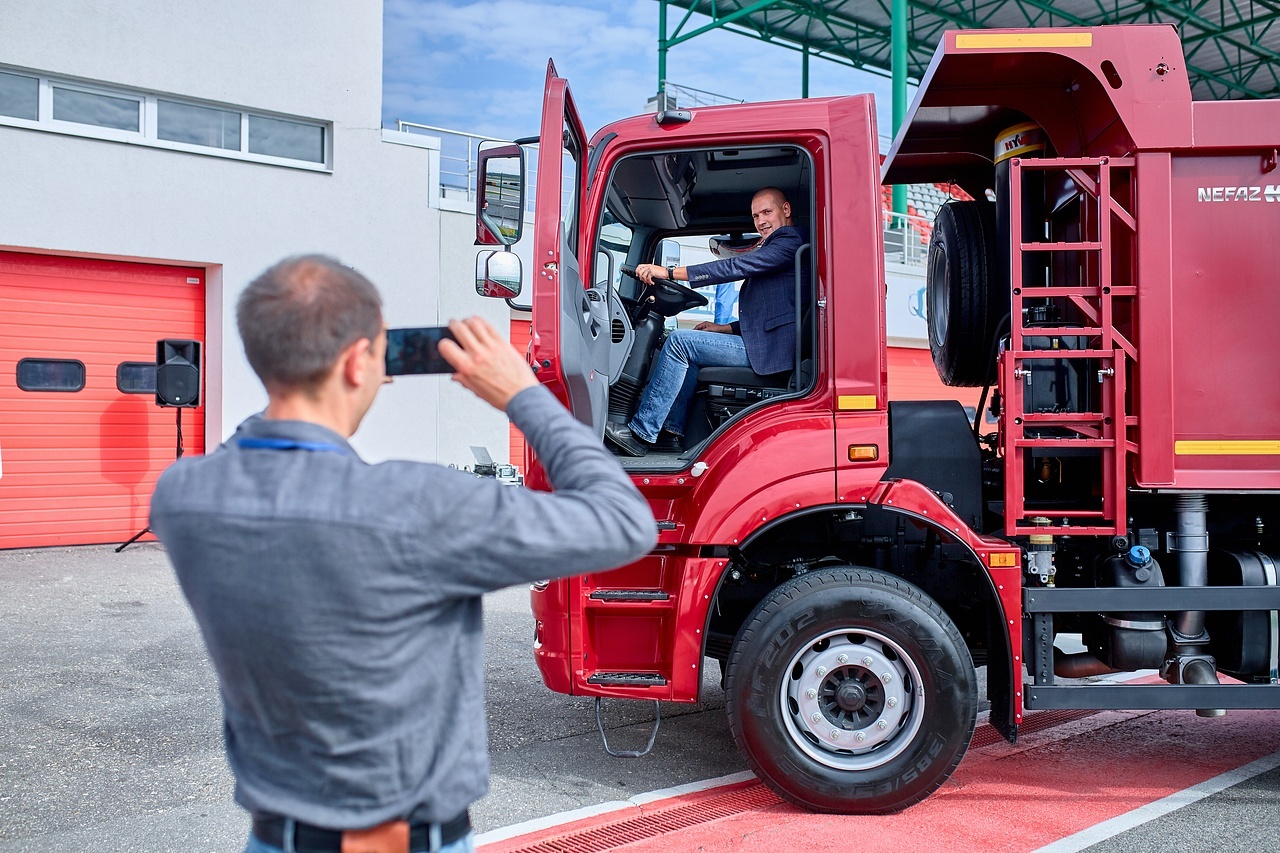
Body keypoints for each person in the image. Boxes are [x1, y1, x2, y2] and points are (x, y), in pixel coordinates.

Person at [149, 255, 656, 853]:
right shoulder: (419, 505)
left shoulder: (183, 498)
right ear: (358, 362)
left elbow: (251, 451)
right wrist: (524, 396)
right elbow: (624, 524)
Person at [604, 187, 809, 456]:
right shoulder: (783, 246)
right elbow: (779, 311)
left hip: (771, 353)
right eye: (756, 216)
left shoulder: (789, 240)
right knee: (689, 350)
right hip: (768, 345)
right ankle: (670, 433)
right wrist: (725, 328)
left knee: (679, 343)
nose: (760, 221)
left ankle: (642, 431)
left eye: (767, 212)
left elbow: (735, 267)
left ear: (786, 210)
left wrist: (668, 273)